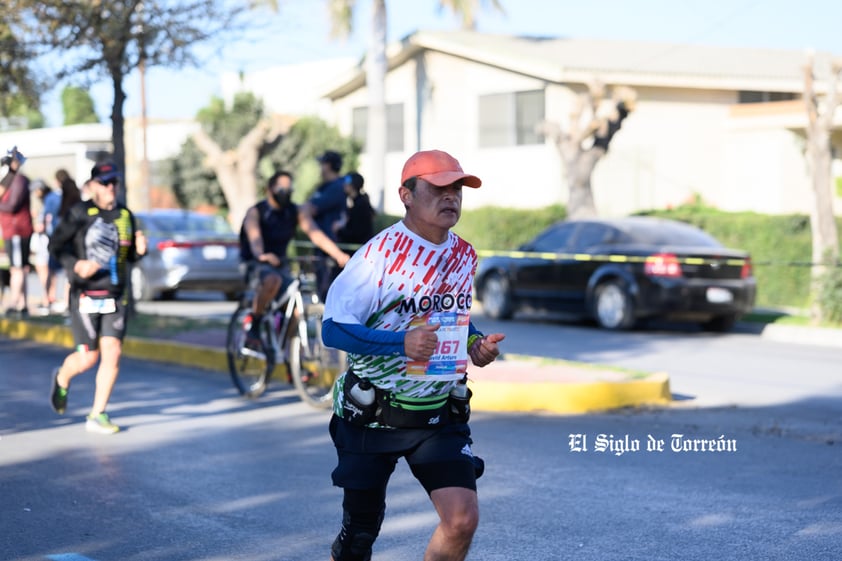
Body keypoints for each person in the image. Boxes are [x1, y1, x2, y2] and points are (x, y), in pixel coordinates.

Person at [322, 149, 506, 561]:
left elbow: (453, 317)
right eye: (438, 188)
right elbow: (332, 329)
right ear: (406, 194)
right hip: (374, 414)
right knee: (360, 537)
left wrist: (474, 343)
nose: (450, 197)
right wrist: (399, 343)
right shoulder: (377, 256)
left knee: (461, 519)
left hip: (437, 413)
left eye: (456, 188)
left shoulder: (464, 254)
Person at [48, 161, 147, 434]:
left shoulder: (126, 215)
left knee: (112, 353)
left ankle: (98, 413)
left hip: (115, 295)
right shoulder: (79, 213)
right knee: (88, 358)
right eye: (105, 183)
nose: (111, 188)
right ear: (92, 186)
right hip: (85, 295)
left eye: (114, 182)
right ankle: (62, 376)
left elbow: (129, 257)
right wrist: (75, 265)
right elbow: (55, 245)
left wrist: (140, 250)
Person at [239, 170, 350, 348]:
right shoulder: (256, 211)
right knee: (272, 280)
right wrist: (262, 255)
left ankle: (286, 355)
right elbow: (255, 237)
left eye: (289, 189)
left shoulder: (293, 211)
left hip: (280, 265)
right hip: (255, 263)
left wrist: (338, 255)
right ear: (270, 189)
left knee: (296, 312)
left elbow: (315, 234)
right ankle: (255, 322)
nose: (286, 193)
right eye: (281, 189)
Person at [304, 150, 348, 299]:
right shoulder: (324, 187)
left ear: (328, 166)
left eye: (322, 164)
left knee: (328, 294)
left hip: (331, 248)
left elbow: (311, 209)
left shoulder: (336, 187)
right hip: (323, 248)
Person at [0, 146, 33, 317]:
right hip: (11, 230)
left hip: (17, 230)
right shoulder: (9, 180)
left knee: (18, 268)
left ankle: (16, 302)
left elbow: (12, 205)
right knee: (19, 268)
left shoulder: (18, 181)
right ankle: (22, 303)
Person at [30, 180, 62, 315]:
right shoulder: (49, 200)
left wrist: (39, 224)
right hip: (49, 239)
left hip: (47, 240)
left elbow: (45, 223)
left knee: (46, 270)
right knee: (48, 270)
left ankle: (47, 298)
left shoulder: (50, 199)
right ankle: (48, 298)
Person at [333, 171, 375, 252]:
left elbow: (356, 233)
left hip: (359, 252)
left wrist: (339, 230)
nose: (344, 185)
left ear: (353, 186)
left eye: (346, 182)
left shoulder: (360, 205)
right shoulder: (355, 203)